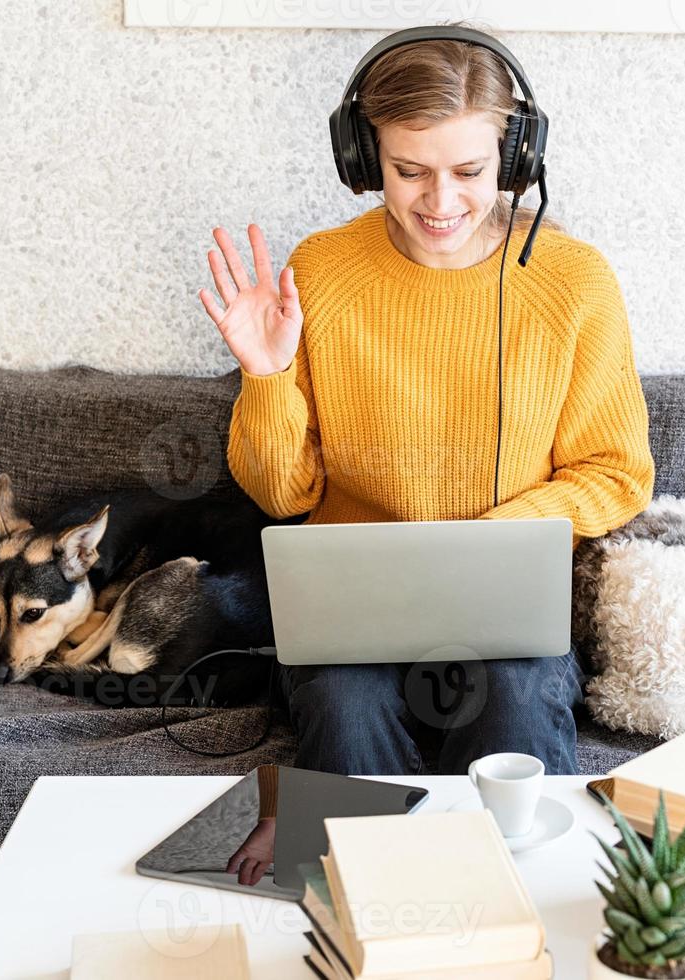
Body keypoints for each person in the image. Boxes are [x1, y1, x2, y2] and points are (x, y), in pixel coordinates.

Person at [198, 24, 654, 777]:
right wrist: (265, 376)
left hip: (507, 610)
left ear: (514, 159)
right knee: (345, 710)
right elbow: (284, 494)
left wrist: (491, 541)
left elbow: (614, 471)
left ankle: (519, 893)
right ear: (363, 157)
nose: (441, 202)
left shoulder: (573, 281)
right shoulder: (321, 269)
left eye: (470, 171)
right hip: (352, 613)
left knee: (511, 701)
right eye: (410, 171)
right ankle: (356, 885)